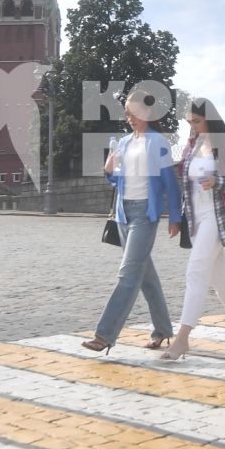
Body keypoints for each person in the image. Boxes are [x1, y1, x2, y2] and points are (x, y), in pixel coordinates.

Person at [80, 96, 183, 355]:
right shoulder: (124, 142)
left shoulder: (158, 142)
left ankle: (104, 335)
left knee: (127, 275)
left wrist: (175, 217)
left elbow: (170, 181)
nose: (129, 118)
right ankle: (162, 331)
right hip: (123, 214)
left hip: (144, 215)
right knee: (146, 277)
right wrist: (108, 171)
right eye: (126, 113)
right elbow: (119, 181)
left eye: (133, 112)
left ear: (147, 111)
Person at [164, 97, 225, 362]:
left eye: (197, 121)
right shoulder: (191, 146)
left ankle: (182, 339)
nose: (192, 127)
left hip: (217, 217)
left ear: (209, 118)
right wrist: (177, 219)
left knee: (196, 271)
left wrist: (218, 181)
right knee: (219, 278)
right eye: (189, 122)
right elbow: (185, 186)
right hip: (195, 218)